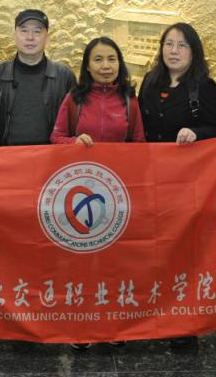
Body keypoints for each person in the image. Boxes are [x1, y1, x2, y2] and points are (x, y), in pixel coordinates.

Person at [51, 36, 145, 350]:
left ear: (120, 64)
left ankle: (115, 324)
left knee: (116, 261)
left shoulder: (130, 101)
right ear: (87, 66)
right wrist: (74, 143)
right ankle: (82, 324)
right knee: (82, 261)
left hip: (118, 194)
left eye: (111, 59)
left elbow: (140, 145)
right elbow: (56, 137)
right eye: (98, 59)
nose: (106, 66)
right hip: (79, 195)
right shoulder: (74, 99)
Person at [137, 22, 216, 345]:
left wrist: (195, 133)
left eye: (182, 45)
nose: (174, 51)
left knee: (183, 251)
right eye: (169, 44)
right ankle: (154, 315)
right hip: (151, 181)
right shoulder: (150, 82)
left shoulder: (204, 87)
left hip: (187, 185)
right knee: (155, 250)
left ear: (194, 51)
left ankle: (185, 323)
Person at [0, 9, 75, 146]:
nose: (30, 37)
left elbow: (74, 123)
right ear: (15, 35)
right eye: (24, 31)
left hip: (51, 155)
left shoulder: (64, 76)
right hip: (7, 155)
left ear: (47, 37)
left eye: (37, 31)